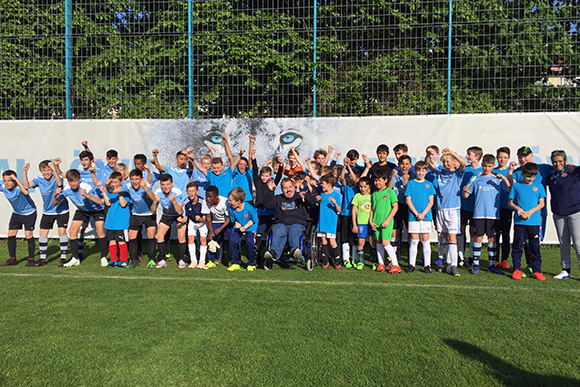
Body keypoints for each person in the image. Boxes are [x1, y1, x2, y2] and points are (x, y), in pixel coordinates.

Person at [463, 154, 510, 275]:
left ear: (493, 166)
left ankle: (491, 264)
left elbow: (509, 190)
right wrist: (465, 190)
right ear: (482, 165)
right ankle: (476, 264)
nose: (486, 168)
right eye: (484, 166)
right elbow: (466, 195)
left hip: (493, 215)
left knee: (492, 239)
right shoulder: (476, 178)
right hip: (478, 214)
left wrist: (504, 179)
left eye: (489, 166)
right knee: (478, 237)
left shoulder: (498, 180)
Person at [52, 169, 108, 267]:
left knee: (100, 230)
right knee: (72, 230)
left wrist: (86, 195)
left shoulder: (86, 187)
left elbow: (99, 202)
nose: (72, 183)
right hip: (82, 210)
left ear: (79, 180)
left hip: (97, 209)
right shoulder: (67, 189)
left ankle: (103, 257)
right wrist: (55, 195)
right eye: (70, 181)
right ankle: (75, 258)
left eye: (74, 181)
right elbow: (54, 203)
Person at [427, 148, 466, 277]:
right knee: (444, 236)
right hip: (440, 209)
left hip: (453, 209)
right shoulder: (440, 172)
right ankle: (448, 263)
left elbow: (463, 163)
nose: (445, 164)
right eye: (444, 162)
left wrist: (453, 153)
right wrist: (429, 154)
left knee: (452, 237)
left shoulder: (457, 174)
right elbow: (428, 164)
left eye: (448, 162)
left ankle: (454, 265)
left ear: (454, 162)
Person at [262, 177, 317, 268]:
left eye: (290, 187)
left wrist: (306, 196)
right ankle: (274, 253)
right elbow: (267, 205)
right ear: (281, 189)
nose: (288, 190)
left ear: (294, 187)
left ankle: (296, 251)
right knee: (278, 230)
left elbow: (314, 202)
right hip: (281, 223)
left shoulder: (300, 196)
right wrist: (270, 190)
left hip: (297, 223)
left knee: (294, 229)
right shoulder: (278, 198)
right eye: (285, 188)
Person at [22, 159, 69, 265]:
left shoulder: (56, 176)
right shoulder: (39, 179)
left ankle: (63, 257)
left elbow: (59, 183)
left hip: (61, 210)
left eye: (48, 170)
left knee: (61, 232)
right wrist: (24, 172)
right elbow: (26, 186)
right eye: (44, 170)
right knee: (43, 232)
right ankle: (43, 258)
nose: (47, 172)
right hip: (47, 211)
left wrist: (54, 168)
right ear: (40, 171)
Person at [509, 162, 546, 281]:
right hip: (520, 222)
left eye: (533, 176)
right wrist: (518, 209)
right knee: (517, 246)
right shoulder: (516, 186)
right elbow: (510, 202)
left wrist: (529, 212)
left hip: (534, 222)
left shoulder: (539, 186)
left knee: (534, 246)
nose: (530, 179)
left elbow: (541, 203)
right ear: (522, 174)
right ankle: (517, 269)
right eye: (528, 176)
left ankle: (537, 270)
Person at [547, 150, 580, 279]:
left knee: (578, 243)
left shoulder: (575, 173)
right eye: (555, 161)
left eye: (561, 161)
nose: (558, 164)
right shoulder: (550, 176)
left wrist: (573, 166)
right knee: (563, 242)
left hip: (575, 212)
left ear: (565, 161)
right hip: (558, 214)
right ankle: (566, 269)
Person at [0, 170, 37, 266]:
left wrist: (16, 179)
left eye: (9, 180)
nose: (7, 183)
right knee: (11, 234)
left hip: (29, 213)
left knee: (28, 235)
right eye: (5, 180)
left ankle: (31, 260)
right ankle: (12, 259)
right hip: (17, 213)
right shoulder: (4, 188)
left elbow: (26, 192)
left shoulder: (18, 188)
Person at [122, 169, 157, 268]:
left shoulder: (147, 186)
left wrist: (145, 188)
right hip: (136, 214)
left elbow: (153, 198)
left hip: (149, 214)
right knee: (132, 236)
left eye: (137, 179)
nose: (134, 181)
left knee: (151, 236)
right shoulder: (128, 186)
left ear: (141, 179)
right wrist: (108, 186)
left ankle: (152, 260)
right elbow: (114, 189)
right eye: (132, 179)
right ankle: (134, 261)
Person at [404, 161, 436, 273]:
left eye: (423, 170)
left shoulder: (429, 184)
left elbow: (431, 202)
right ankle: (411, 265)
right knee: (414, 240)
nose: (421, 173)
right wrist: (416, 213)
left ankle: (427, 265)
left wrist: (423, 214)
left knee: (425, 240)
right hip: (413, 217)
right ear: (415, 171)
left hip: (426, 217)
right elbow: (408, 200)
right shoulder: (411, 183)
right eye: (419, 170)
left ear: (426, 171)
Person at [369, 169, 400, 273]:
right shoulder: (374, 194)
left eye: (380, 180)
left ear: (385, 180)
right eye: (375, 180)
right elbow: (372, 208)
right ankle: (381, 263)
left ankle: (395, 265)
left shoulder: (390, 192)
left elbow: (395, 207)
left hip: (386, 223)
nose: (377, 183)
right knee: (378, 242)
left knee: (385, 242)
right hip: (376, 222)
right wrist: (371, 220)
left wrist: (387, 220)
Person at [153, 174, 185, 269]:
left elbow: (180, 211)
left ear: (172, 183)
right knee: (159, 235)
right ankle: (163, 260)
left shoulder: (177, 192)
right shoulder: (158, 192)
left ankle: (182, 259)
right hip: (167, 215)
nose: (165, 187)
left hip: (178, 214)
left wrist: (174, 201)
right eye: (163, 184)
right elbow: (152, 210)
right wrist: (155, 202)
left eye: (167, 184)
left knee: (181, 235)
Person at [101, 172, 131, 268]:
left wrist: (120, 193)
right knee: (111, 241)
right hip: (111, 221)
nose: (113, 184)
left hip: (121, 222)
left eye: (115, 182)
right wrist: (104, 192)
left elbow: (123, 204)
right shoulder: (110, 192)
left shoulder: (125, 192)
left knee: (121, 242)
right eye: (112, 182)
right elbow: (108, 203)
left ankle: (123, 260)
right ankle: (114, 259)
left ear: (121, 182)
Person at [459, 146, 483, 267]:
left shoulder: (482, 171)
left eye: (469, 154)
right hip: (462, 205)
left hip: (476, 207)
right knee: (461, 230)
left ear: (477, 157)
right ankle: (460, 257)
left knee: (473, 232)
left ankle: (471, 257)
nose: (467, 156)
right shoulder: (465, 169)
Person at [313, 174, 342, 269]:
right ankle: (325, 262)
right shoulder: (322, 195)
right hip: (322, 222)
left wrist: (335, 203)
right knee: (323, 240)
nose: (321, 185)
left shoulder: (336, 196)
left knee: (332, 241)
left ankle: (337, 261)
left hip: (330, 223)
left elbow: (339, 210)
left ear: (329, 184)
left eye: (323, 184)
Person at [227, 187, 259, 271]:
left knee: (249, 242)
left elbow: (254, 220)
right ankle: (235, 262)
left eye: (231, 200)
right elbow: (233, 220)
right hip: (239, 227)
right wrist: (236, 223)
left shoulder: (249, 208)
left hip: (250, 226)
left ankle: (252, 263)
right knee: (233, 241)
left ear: (238, 201)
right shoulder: (231, 209)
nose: (229, 202)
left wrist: (244, 227)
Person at [181, 182, 211, 269]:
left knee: (203, 240)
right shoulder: (186, 202)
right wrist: (180, 220)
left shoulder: (202, 202)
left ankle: (202, 261)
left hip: (202, 223)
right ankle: (193, 261)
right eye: (189, 191)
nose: (191, 193)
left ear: (197, 191)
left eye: (193, 191)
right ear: (186, 192)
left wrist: (201, 219)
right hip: (192, 222)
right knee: (190, 238)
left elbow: (206, 218)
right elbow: (185, 217)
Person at [388, 155, 413, 259]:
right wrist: (393, 177)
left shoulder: (413, 176)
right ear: (398, 165)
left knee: (410, 232)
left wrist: (407, 181)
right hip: (396, 207)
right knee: (395, 231)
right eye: (402, 164)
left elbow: (410, 193)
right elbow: (389, 189)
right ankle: (395, 256)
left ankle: (411, 256)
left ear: (410, 165)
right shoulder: (395, 175)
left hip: (408, 207)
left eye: (407, 164)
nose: (404, 166)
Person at [493, 147, 513, 269]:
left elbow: (511, 186)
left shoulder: (512, 171)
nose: (502, 159)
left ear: (508, 158)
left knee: (506, 234)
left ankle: (504, 259)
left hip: (506, 207)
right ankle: (494, 258)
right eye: (500, 157)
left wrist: (509, 172)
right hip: (494, 208)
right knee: (495, 234)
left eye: (505, 157)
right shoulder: (492, 170)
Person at [338, 157, 359, 268]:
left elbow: (356, 180)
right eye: (349, 177)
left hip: (355, 216)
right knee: (345, 237)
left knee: (354, 238)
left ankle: (355, 258)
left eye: (351, 177)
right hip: (345, 214)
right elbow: (342, 178)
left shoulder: (356, 188)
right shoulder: (346, 187)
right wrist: (345, 166)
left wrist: (350, 168)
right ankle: (346, 259)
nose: (350, 179)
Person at [204, 186, 230, 268]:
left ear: (217, 197)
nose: (208, 199)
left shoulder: (225, 202)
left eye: (210, 197)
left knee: (231, 238)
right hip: (215, 222)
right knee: (211, 238)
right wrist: (211, 231)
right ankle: (211, 260)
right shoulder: (205, 202)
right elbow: (208, 217)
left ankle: (231, 258)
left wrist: (220, 229)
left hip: (227, 222)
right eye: (206, 196)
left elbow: (229, 218)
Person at [351, 177, 373, 270]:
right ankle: (360, 261)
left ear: (369, 187)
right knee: (361, 241)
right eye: (361, 187)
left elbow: (372, 209)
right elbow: (354, 210)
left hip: (371, 224)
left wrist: (371, 220)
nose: (363, 189)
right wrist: (354, 224)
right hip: (361, 223)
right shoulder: (357, 196)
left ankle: (375, 260)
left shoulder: (372, 196)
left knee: (373, 242)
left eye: (365, 186)